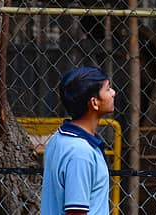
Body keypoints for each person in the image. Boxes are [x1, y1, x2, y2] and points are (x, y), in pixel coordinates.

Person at [41, 65, 117, 215]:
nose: (113, 93)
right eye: (107, 89)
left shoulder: (58, 140)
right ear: (94, 102)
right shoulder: (80, 154)